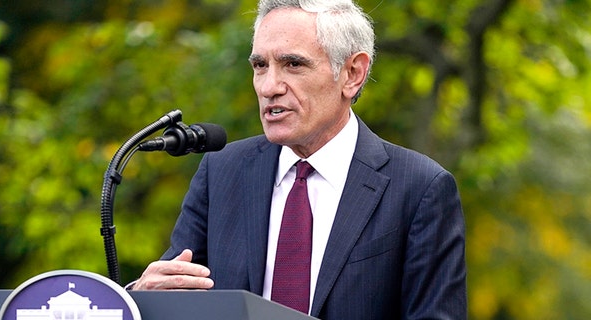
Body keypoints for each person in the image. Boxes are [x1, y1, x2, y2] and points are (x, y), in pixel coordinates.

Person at [130, 0, 467, 319]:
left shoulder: (419, 188)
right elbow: (174, 294)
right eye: (260, 66)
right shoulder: (221, 171)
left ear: (353, 73)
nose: (269, 86)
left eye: (293, 64)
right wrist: (140, 296)